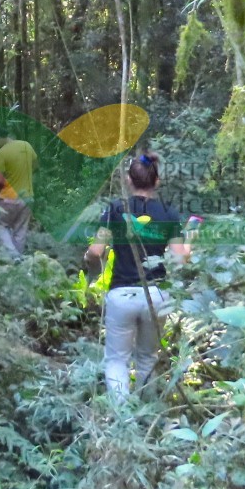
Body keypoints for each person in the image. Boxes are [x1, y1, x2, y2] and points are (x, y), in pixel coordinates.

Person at [84, 152, 192, 400]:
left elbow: (96, 251)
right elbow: (179, 258)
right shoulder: (169, 213)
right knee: (147, 358)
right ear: (157, 182)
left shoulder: (115, 208)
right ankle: (146, 412)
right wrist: (190, 245)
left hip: (121, 293)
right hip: (156, 295)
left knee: (116, 360)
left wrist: (90, 262)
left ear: (128, 181)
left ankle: (122, 418)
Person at [0, 125, 38, 260]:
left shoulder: (2, 153)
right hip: (28, 197)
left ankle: (13, 256)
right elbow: (35, 166)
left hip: (9, 197)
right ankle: (19, 261)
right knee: (20, 230)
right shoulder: (26, 146)